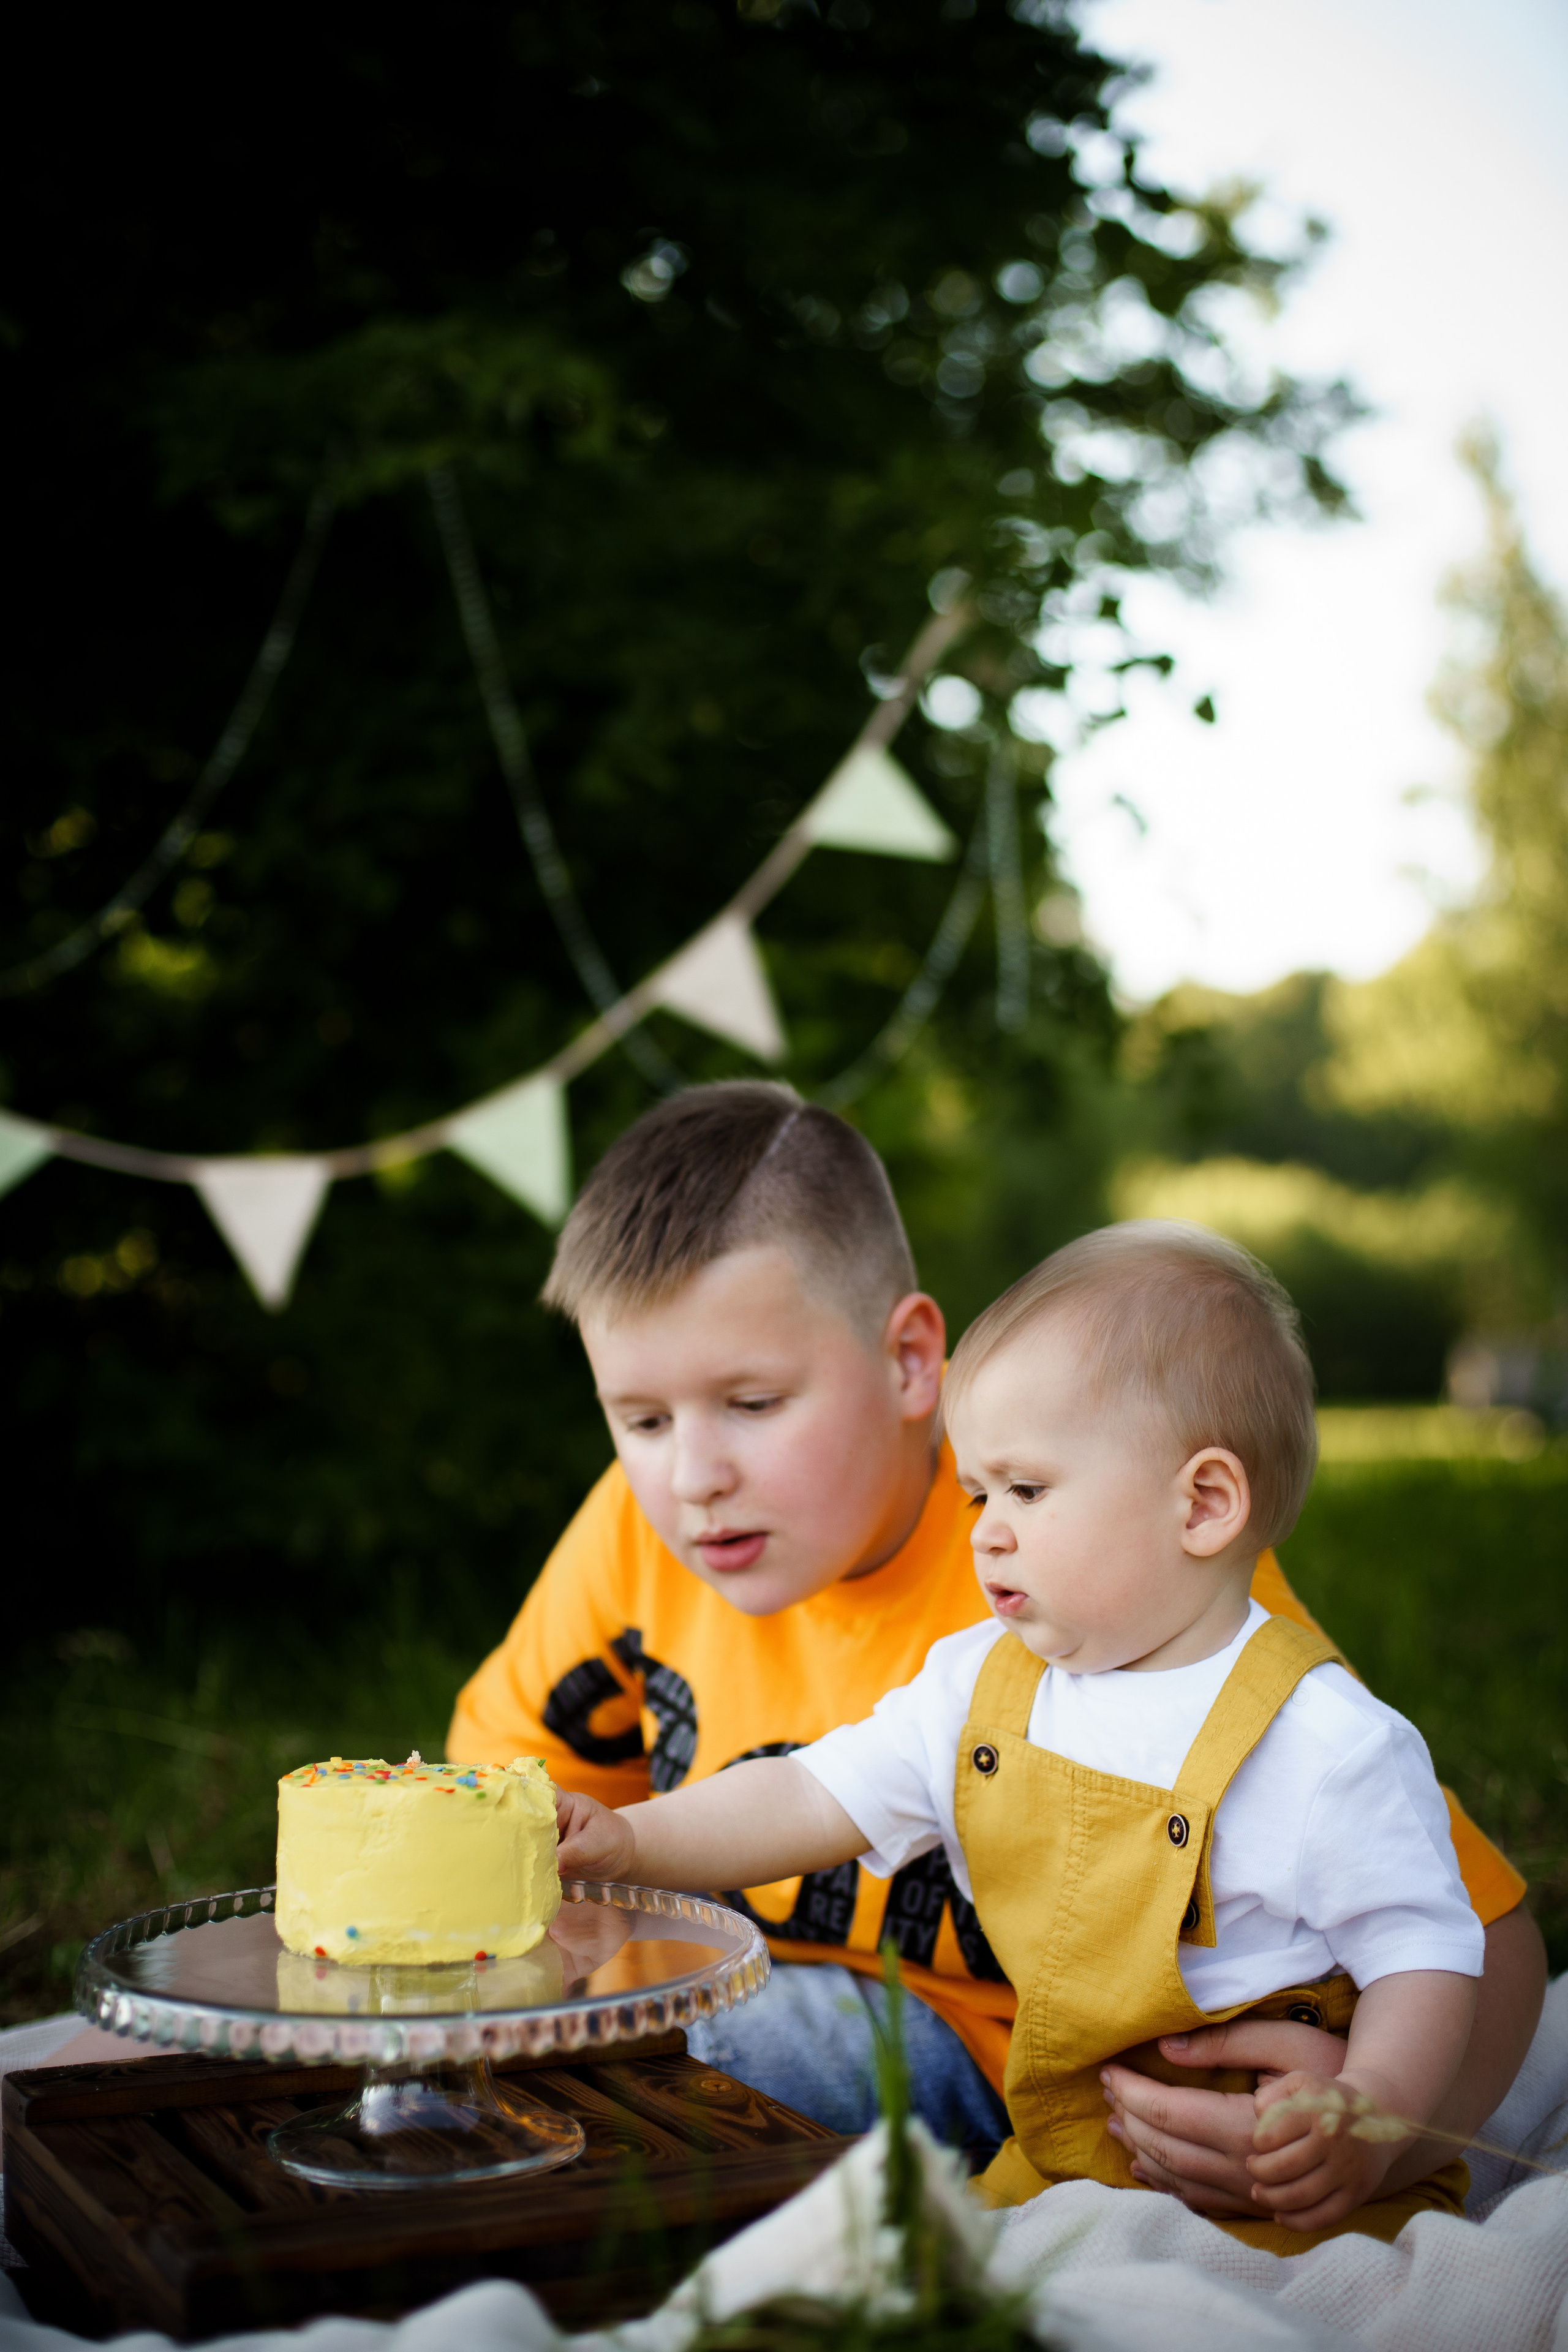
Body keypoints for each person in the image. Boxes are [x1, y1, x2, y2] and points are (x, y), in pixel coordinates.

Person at [448, 1080, 1545, 2208]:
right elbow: (522, 1833)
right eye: (642, 1420)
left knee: (685, 2051)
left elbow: (1479, 1933)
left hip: (1031, 2069)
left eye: (755, 1403)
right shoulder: (642, 1532)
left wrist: (1385, 2141)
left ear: (910, 1362)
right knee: (476, 2023)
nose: (693, 1475)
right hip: (752, 1992)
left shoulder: (1120, 1566)